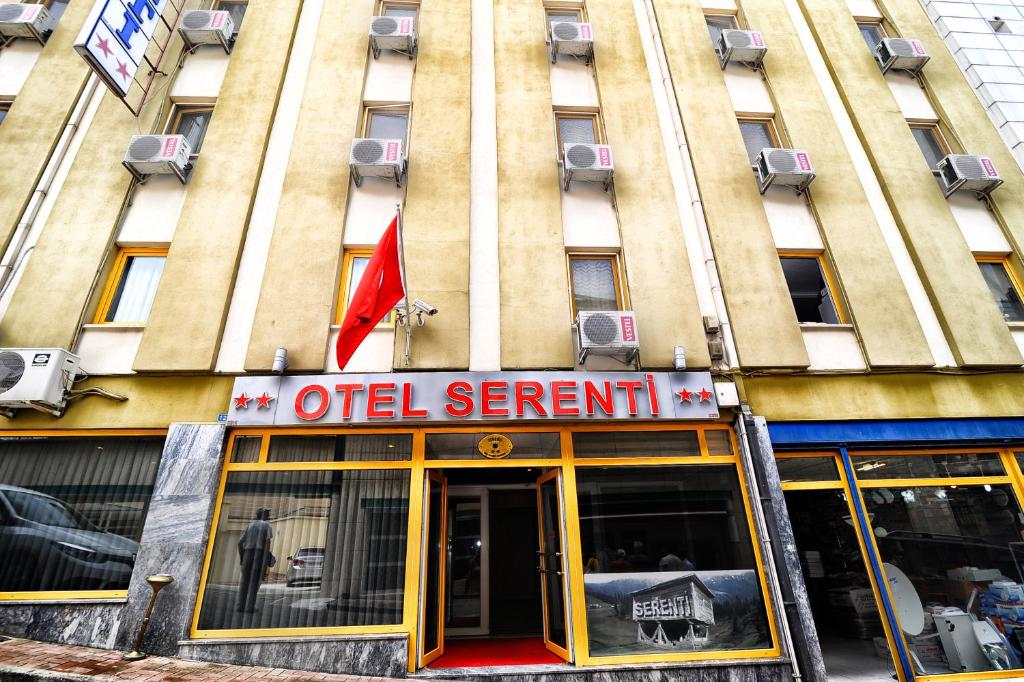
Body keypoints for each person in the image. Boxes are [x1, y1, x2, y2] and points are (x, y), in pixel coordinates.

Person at [237, 507, 274, 613]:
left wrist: (242, 558)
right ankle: (250, 607)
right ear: (262, 515)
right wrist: (266, 559)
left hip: (247, 554)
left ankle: (240, 606)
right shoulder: (267, 525)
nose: (269, 515)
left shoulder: (250, 525)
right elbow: (267, 543)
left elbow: (240, 543)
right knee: (254, 581)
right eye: (267, 513)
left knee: (244, 582)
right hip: (259, 554)